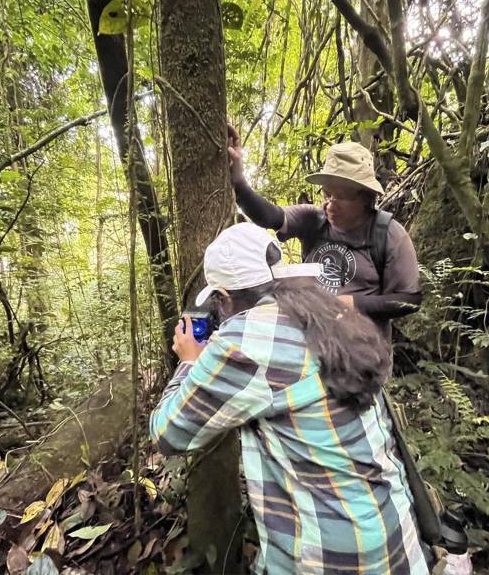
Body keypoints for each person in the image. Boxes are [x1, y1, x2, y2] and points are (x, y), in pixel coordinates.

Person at [149, 223, 429, 575]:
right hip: (392, 532)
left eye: (218, 303)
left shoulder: (246, 339)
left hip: (333, 555)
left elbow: (168, 434)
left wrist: (189, 362)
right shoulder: (323, 311)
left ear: (223, 297)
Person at [228, 126, 421, 340]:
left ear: (366, 198)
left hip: (366, 360)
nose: (330, 204)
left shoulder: (388, 234)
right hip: (312, 356)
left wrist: (354, 304)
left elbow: (410, 300)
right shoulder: (313, 220)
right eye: (327, 194)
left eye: (341, 196)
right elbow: (269, 216)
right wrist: (238, 181)